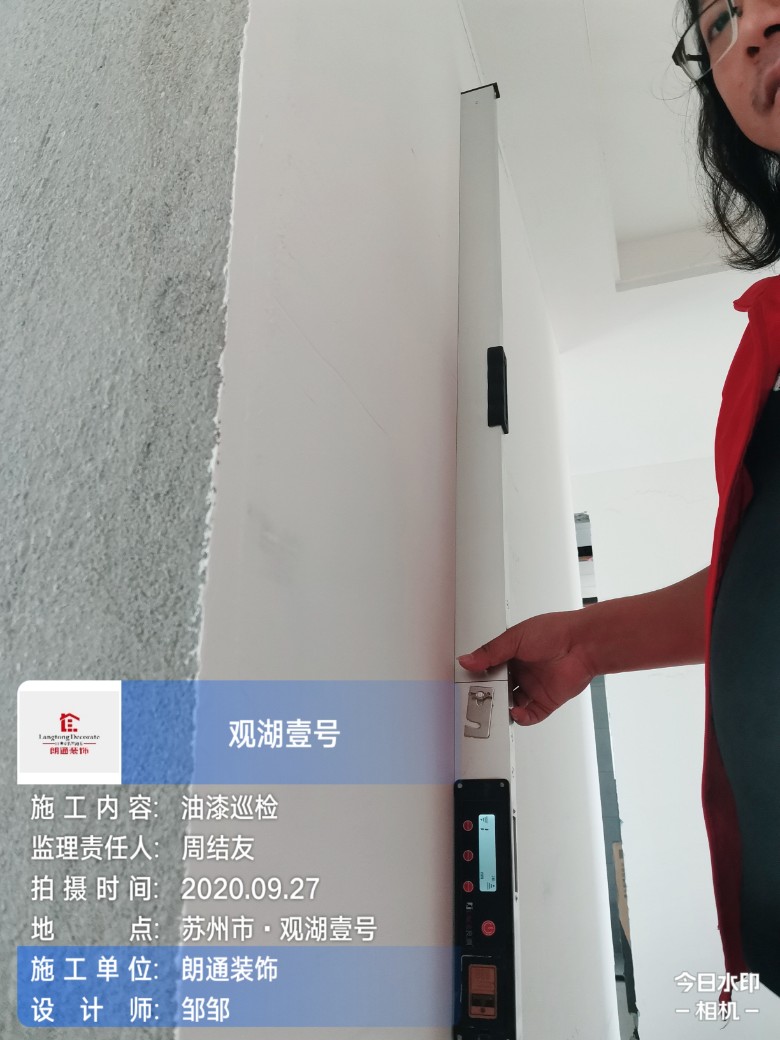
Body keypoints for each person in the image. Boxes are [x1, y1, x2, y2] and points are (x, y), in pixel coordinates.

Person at [459, 0, 780, 1005]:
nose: (752, 28)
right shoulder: (769, 344)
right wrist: (590, 642)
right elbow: (758, 591)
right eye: (719, 20)